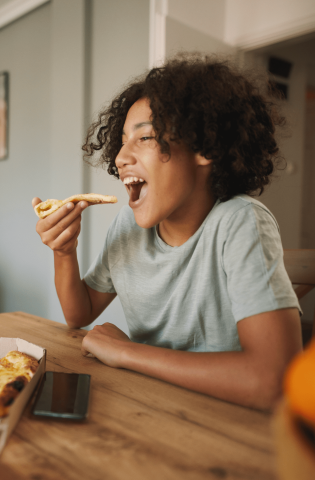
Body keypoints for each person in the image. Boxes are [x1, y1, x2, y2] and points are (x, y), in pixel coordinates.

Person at [33, 55, 302, 411]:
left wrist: (126, 351)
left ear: (205, 147)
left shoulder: (240, 223)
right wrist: (64, 251)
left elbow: (273, 380)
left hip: (227, 423)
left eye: (144, 136)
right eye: (123, 141)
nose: (120, 157)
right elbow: (78, 314)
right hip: (151, 407)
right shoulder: (128, 227)